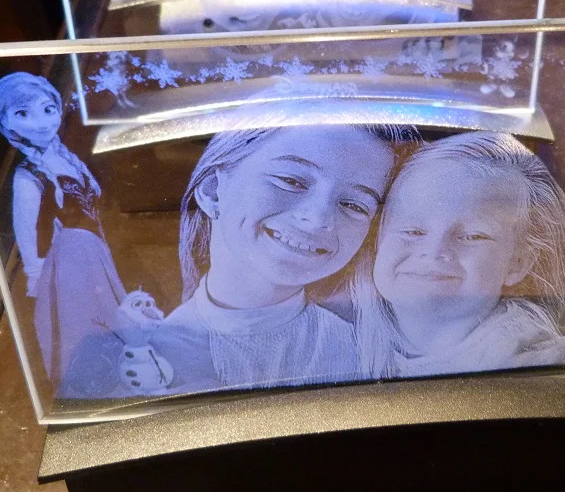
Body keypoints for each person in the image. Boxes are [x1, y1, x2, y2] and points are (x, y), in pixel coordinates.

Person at [159, 125, 417, 393]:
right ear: (213, 190)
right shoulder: (147, 352)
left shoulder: (372, 356)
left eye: (354, 205)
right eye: (291, 181)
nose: (317, 219)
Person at [353, 132, 565, 379]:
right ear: (377, 240)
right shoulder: (343, 343)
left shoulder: (547, 368)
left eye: (471, 236)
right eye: (413, 231)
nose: (434, 252)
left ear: (518, 263)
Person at [0, 73, 127, 387]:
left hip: (94, 253)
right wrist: (36, 274)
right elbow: (26, 231)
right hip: (68, 263)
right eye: (23, 114)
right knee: (81, 326)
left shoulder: (68, 158)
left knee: (110, 319)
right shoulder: (28, 177)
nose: (41, 122)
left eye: (48, 109)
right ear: (6, 123)